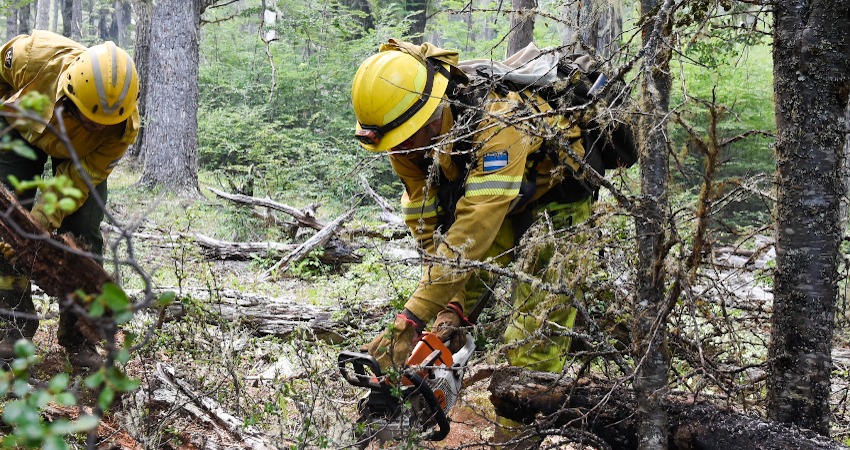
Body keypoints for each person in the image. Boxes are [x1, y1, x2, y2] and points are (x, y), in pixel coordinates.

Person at [352, 39, 597, 376]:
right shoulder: (404, 142)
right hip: (503, 203)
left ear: (430, 116)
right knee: (451, 302)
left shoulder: (499, 122)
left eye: (405, 138)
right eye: (393, 143)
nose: (399, 150)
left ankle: (529, 402)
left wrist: (411, 318)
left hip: (558, 197)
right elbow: (426, 225)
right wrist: (448, 305)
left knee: (533, 334)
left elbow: (476, 226)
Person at [0, 30, 140, 369]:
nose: (98, 127)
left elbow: (80, 178)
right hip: (20, 126)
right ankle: (12, 326)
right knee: (6, 220)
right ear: (70, 92)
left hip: (79, 158)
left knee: (85, 230)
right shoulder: (31, 57)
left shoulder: (123, 129)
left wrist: (42, 217)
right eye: (90, 119)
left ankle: (78, 338)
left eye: (104, 124)